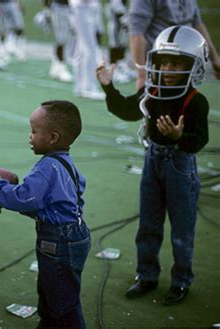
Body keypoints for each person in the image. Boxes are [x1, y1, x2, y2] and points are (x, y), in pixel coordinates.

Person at [96, 25, 209, 305]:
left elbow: (200, 140)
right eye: (165, 62)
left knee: (182, 229)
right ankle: (147, 275)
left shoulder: (196, 101)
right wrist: (109, 87)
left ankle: (181, 280)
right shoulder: (152, 91)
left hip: (180, 165)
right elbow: (126, 109)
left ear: (192, 65)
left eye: (177, 63)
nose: (169, 69)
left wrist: (180, 137)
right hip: (152, 161)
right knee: (148, 223)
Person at [0, 100, 91, 328]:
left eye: (34, 131)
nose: (30, 136)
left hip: (58, 241)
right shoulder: (65, 163)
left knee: (61, 301)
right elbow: (61, 200)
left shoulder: (46, 168)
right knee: (54, 291)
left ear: (53, 138)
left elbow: (24, 198)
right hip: (74, 235)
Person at [129, 0, 220, 90]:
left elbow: (197, 24)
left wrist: (215, 59)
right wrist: (142, 73)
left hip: (186, 61)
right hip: (161, 63)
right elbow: (136, 33)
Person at [45, 0, 74, 82]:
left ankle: (55, 66)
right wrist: (47, 9)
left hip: (67, 7)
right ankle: (61, 68)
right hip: (59, 7)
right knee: (61, 39)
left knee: (66, 38)